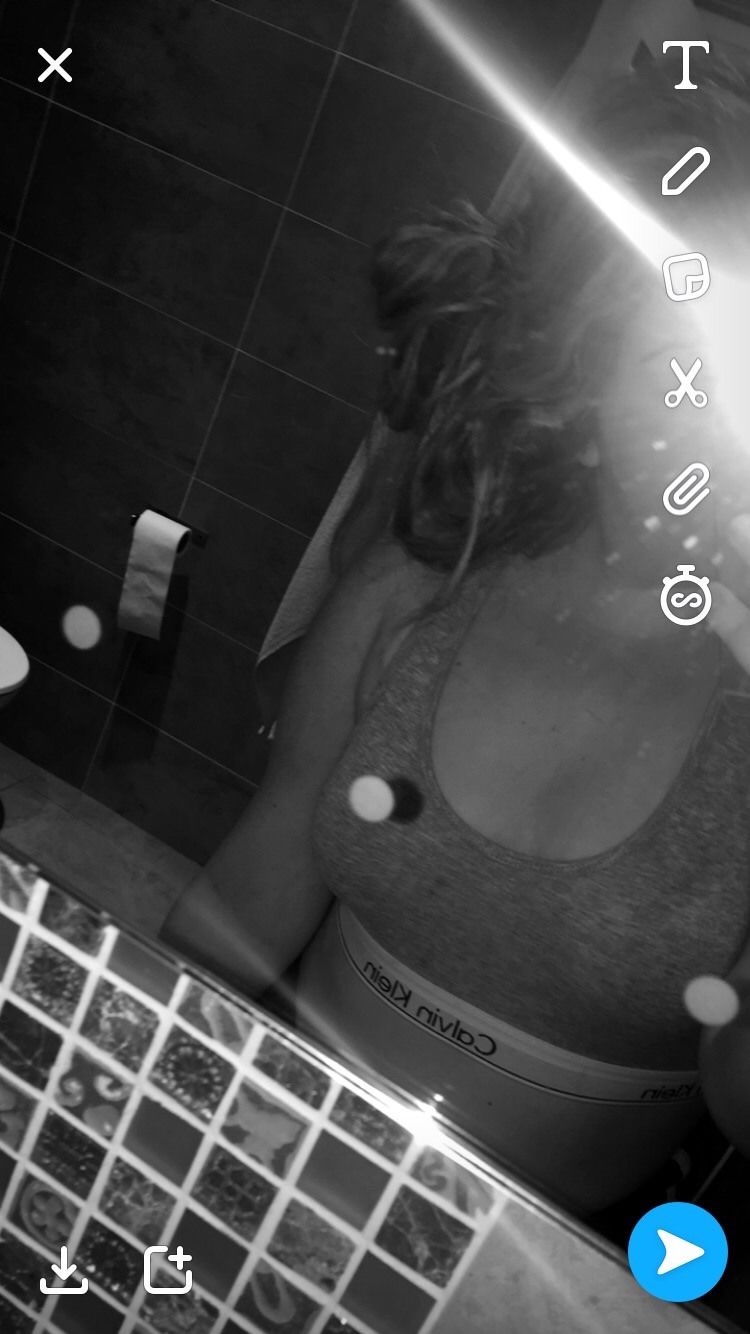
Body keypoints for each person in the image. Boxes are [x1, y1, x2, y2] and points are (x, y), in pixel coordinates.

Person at [163, 54, 750, 1218]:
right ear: (590, 386)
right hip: (275, 1181)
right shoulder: (421, 590)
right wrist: (121, 1075)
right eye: (687, 372)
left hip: (554, 1275)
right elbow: (258, 887)